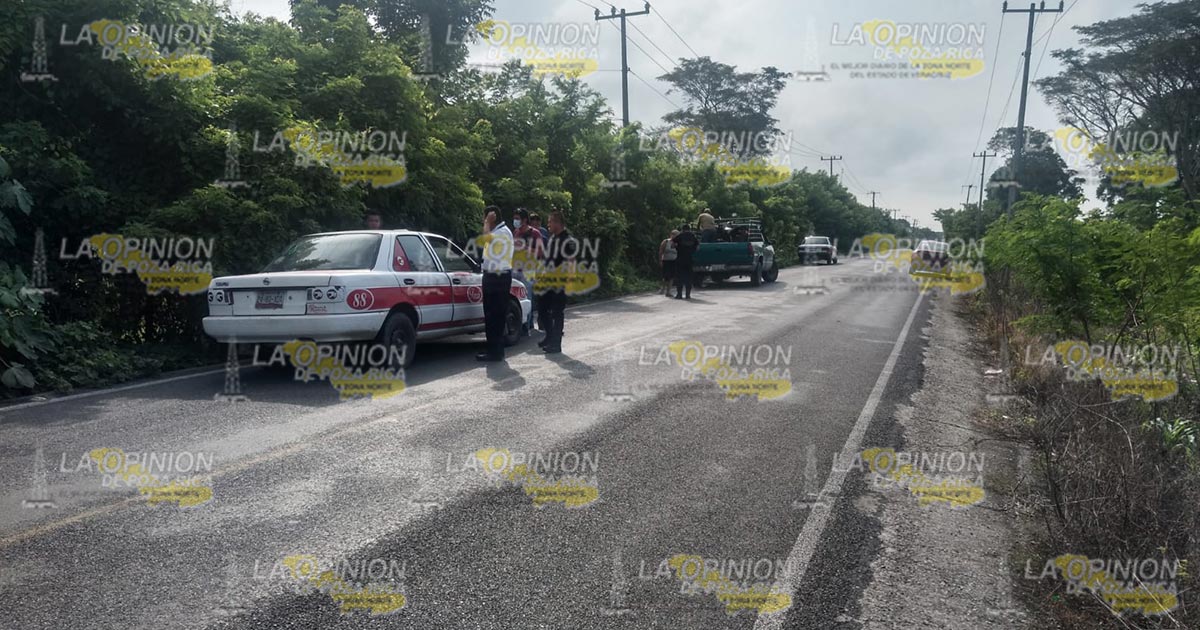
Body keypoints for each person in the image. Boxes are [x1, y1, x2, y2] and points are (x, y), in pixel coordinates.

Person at [477, 206, 514, 362]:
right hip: (495, 277)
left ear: (492, 218)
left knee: (495, 316)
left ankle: (495, 352)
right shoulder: (500, 232)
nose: (484, 222)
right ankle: (494, 350)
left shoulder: (502, 233)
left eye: (486, 219)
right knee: (493, 316)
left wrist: (487, 223)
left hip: (497, 278)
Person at [538, 211, 575, 354]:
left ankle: (556, 344)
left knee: (557, 313)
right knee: (542, 309)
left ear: (558, 223)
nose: (548, 225)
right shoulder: (553, 239)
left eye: (550, 222)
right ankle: (549, 336)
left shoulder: (568, 240)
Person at [512, 208, 544, 336]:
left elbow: (540, 252)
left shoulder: (535, 234)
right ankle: (522, 324)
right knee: (517, 298)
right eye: (514, 218)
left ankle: (527, 327)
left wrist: (524, 247)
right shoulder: (516, 232)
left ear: (525, 220)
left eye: (517, 219)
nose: (515, 221)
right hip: (516, 269)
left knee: (527, 297)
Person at [672, 224, 699, 300]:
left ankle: (679, 294)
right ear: (689, 229)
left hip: (680, 259)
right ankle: (688, 295)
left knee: (679, 277)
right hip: (689, 259)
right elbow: (697, 247)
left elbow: (672, 245)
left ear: (682, 229)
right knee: (689, 277)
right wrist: (691, 251)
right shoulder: (693, 236)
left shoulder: (680, 236)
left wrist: (678, 247)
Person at [659, 229, 679, 297]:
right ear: (671, 235)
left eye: (676, 235)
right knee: (665, 276)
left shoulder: (678, 243)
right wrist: (660, 260)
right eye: (674, 234)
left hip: (674, 261)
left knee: (672, 277)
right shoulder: (666, 241)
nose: (675, 236)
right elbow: (661, 251)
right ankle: (662, 288)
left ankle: (668, 291)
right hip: (666, 260)